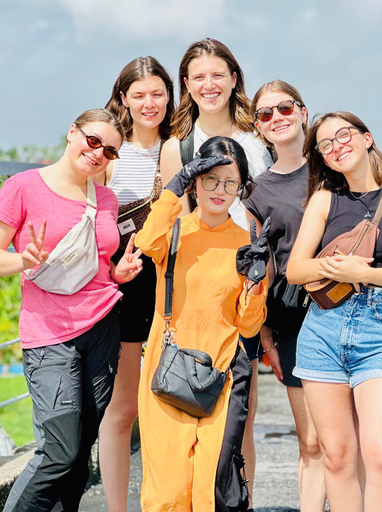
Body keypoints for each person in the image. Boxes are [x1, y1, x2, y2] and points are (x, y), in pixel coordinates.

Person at [0, 109, 143, 512]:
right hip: (49, 334)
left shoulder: (105, 198)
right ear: (72, 132)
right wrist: (22, 261)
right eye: (93, 141)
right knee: (59, 451)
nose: (98, 153)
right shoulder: (23, 186)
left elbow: (97, 264)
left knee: (81, 450)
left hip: (103, 327)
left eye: (110, 151)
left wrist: (117, 274)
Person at [286, 112, 382, 512]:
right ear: (324, 158)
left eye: (344, 135)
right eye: (326, 144)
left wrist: (362, 274)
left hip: (381, 329)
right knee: (336, 456)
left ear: (367, 138)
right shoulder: (324, 200)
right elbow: (295, 270)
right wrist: (339, 268)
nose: (337, 146)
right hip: (323, 331)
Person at [159, 40, 272, 502]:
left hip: (250, 286)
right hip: (198, 299)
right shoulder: (177, 146)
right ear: (186, 84)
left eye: (218, 75)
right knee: (190, 412)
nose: (209, 85)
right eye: (199, 76)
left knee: (242, 413)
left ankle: (240, 501)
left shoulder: (259, 140)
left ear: (234, 79)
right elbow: (174, 227)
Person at [135, 136, 268, 512]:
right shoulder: (174, 232)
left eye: (230, 183)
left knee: (211, 489)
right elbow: (146, 240)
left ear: (240, 188)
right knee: (168, 492)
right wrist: (175, 185)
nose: (219, 190)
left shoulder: (246, 242)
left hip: (222, 374)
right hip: (168, 369)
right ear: (195, 180)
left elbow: (248, 326)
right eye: (210, 179)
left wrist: (255, 283)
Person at [95, 56, 175, 512]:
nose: (149, 103)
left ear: (170, 96)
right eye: (139, 94)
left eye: (158, 93)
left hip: (171, 284)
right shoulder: (110, 151)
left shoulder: (179, 145)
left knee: (170, 402)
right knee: (123, 408)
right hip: (121, 285)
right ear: (123, 97)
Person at [242, 80, 327, 510]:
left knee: (349, 441)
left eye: (285, 108)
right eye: (265, 113)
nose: (277, 117)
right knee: (311, 442)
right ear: (258, 126)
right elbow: (264, 268)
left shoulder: (334, 168)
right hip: (295, 321)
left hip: (351, 310)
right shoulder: (257, 191)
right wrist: (267, 338)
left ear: (303, 111)